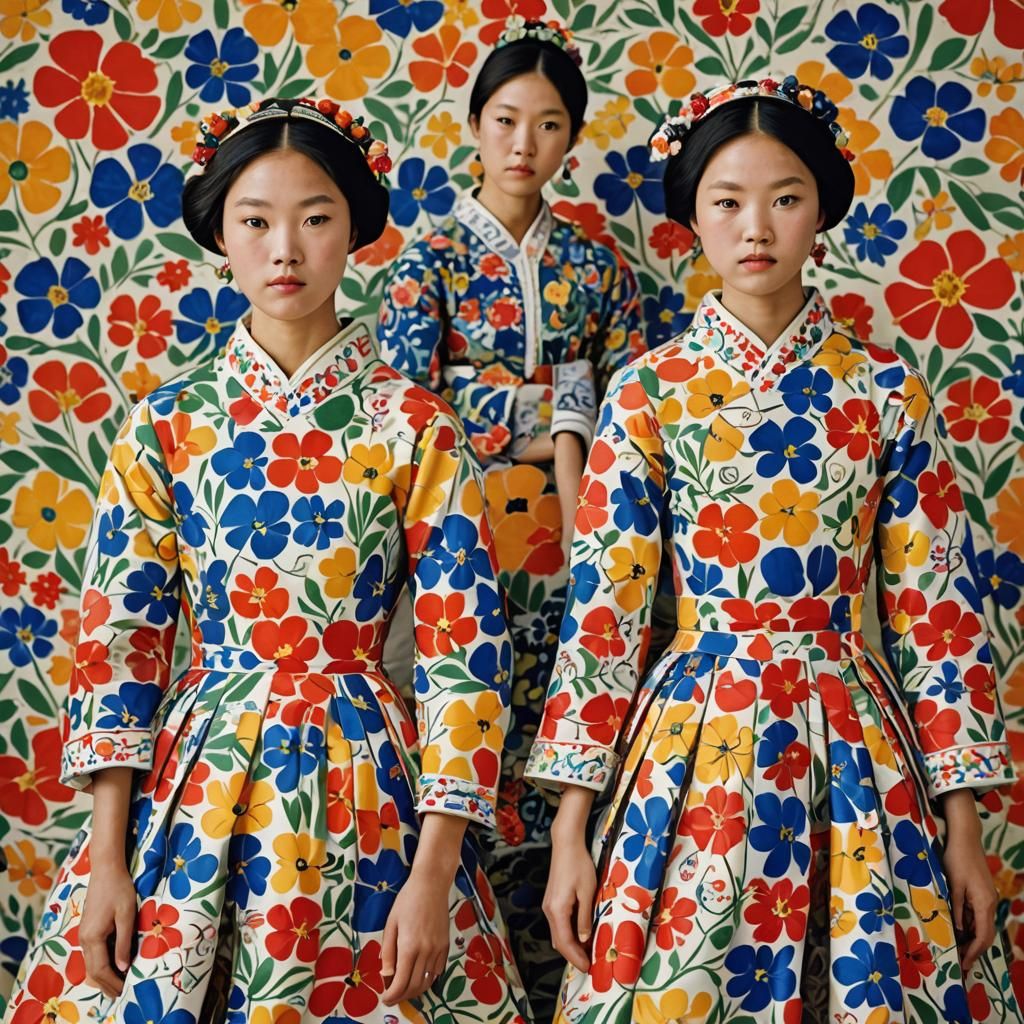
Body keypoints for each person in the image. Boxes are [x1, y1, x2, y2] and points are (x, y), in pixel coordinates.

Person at [2, 96, 529, 1024]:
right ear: (221, 234)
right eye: (256, 221)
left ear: (356, 230)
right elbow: (121, 644)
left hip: (371, 791)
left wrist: (436, 869)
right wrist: (108, 859)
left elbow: (464, 652)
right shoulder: (166, 423)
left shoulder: (417, 424)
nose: (285, 248)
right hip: (197, 795)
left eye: (316, 218)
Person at [526, 76, 1022, 1022]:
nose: (757, 226)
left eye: (785, 198)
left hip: (853, 752)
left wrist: (965, 831)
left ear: (821, 211)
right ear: (694, 219)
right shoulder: (648, 392)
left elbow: (937, 615)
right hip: (686, 757)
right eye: (728, 201)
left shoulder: (882, 391)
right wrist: (571, 831)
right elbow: (606, 615)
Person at [377, 19, 645, 1019]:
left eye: (546, 124)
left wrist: (568, 413)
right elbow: (406, 409)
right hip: (461, 543)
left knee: (567, 758)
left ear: (570, 138)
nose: (522, 142)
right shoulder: (428, 259)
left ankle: (559, 982)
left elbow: (629, 409)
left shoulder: (599, 266)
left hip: (578, 549)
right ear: (473, 126)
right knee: (459, 742)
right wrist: (547, 407)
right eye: (504, 120)